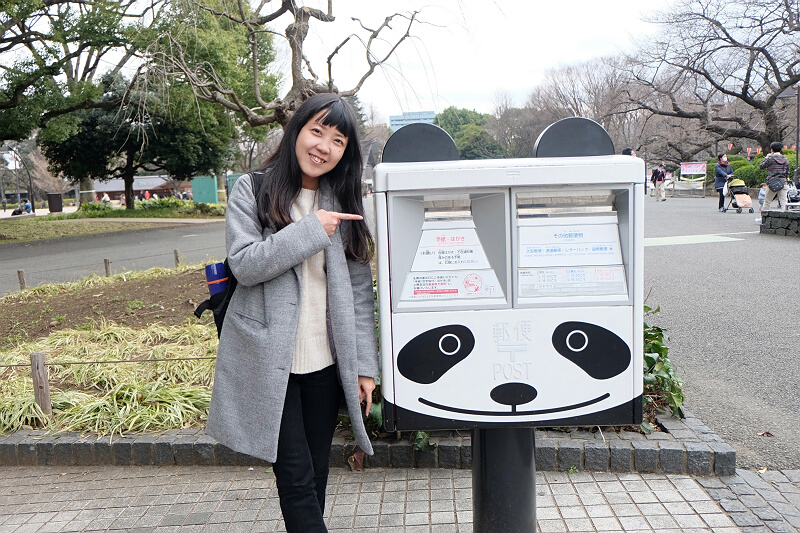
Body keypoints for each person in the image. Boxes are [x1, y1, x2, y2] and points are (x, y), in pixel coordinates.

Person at [206, 93, 378, 533]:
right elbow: (245, 264)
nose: (323, 146)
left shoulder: (344, 201)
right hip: (269, 362)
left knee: (316, 474)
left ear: (346, 153)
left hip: (325, 362)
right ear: (297, 130)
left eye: (337, 140)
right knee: (296, 478)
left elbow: (360, 293)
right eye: (317, 131)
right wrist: (310, 230)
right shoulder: (254, 189)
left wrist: (363, 366)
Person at [759, 142, 790, 211]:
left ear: (772, 149)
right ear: (781, 149)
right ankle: (786, 218)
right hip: (782, 181)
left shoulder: (770, 158)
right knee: (784, 202)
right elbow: (787, 171)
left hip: (772, 182)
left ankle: (764, 218)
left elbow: (762, 166)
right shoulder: (785, 159)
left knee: (767, 201)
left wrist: (766, 157)